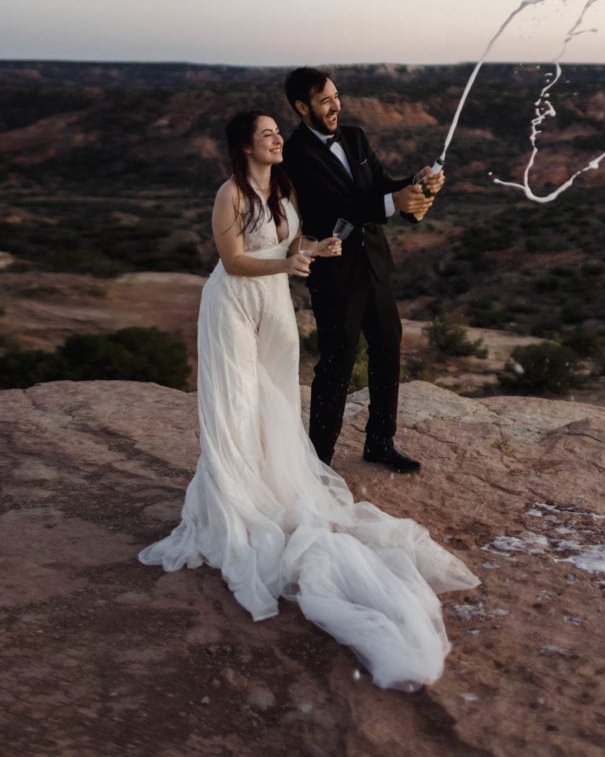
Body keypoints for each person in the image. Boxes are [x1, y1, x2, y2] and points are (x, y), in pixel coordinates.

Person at [139, 110, 478, 690]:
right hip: (235, 305)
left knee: (276, 395)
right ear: (246, 145)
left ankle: (274, 479)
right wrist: (287, 260)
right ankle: (232, 493)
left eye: (277, 132)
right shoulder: (231, 193)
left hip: (274, 305)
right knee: (239, 400)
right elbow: (233, 260)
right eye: (268, 134)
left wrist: (315, 248)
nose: (277, 140)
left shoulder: (284, 187)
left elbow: (291, 241)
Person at [282, 67, 443, 473]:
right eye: (324, 101)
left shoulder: (354, 136)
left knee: (388, 350)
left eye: (336, 96)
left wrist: (416, 182)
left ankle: (380, 442)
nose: (335, 105)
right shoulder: (295, 153)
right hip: (334, 272)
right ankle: (317, 461)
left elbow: (376, 186)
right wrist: (395, 203)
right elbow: (333, 207)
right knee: (337, 362)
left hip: (373, 263)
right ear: (302, 108)